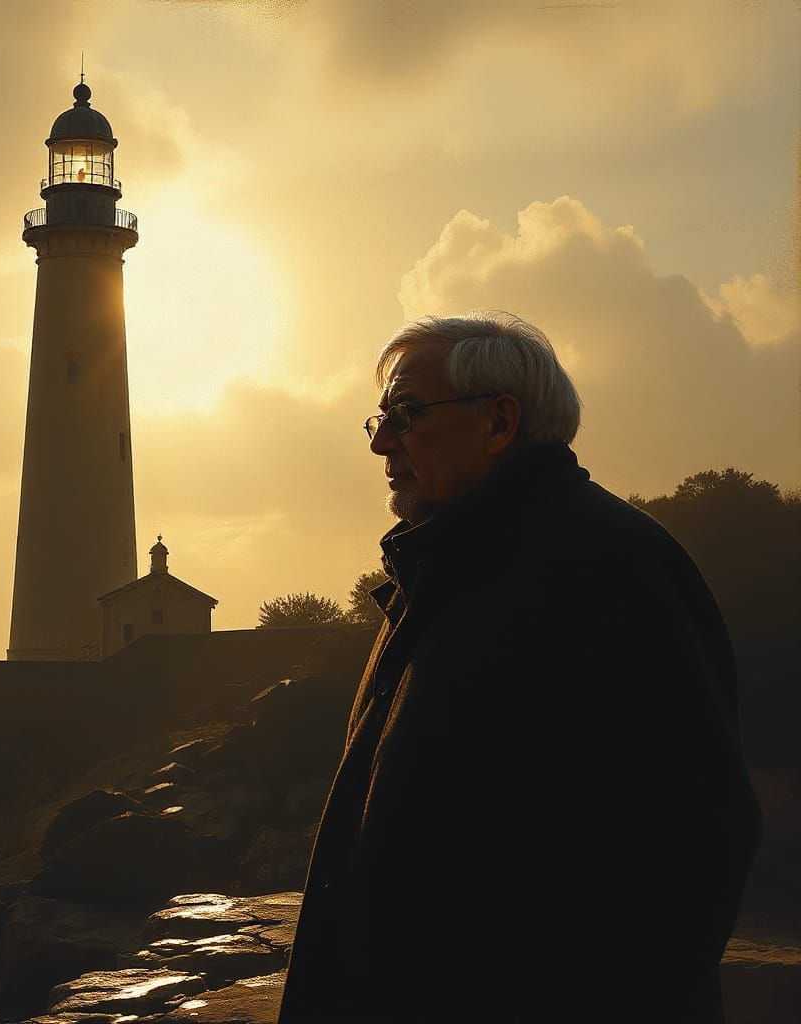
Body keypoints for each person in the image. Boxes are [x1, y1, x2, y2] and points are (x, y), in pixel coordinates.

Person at [276, 312, 762, 1023]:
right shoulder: (438, 571)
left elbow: (692, 845)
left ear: (499, 421)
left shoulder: (606, 567)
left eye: (407, 413)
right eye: (378, 418)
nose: (381, 441)